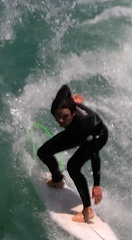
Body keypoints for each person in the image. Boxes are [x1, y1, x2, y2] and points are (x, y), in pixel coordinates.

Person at [37, 83, 108, 224]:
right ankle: (57, 180)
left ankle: (88, 209)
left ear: (73, 113)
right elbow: (65, 87)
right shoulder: (58, 106)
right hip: (75, 131)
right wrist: (70, 99)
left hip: (95, 136)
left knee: (73, 167)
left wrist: (97, 185)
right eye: (58, 116)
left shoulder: (85, 122)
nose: (60, 120)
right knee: (43, 152)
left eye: (64, 116)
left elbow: (94, 154)